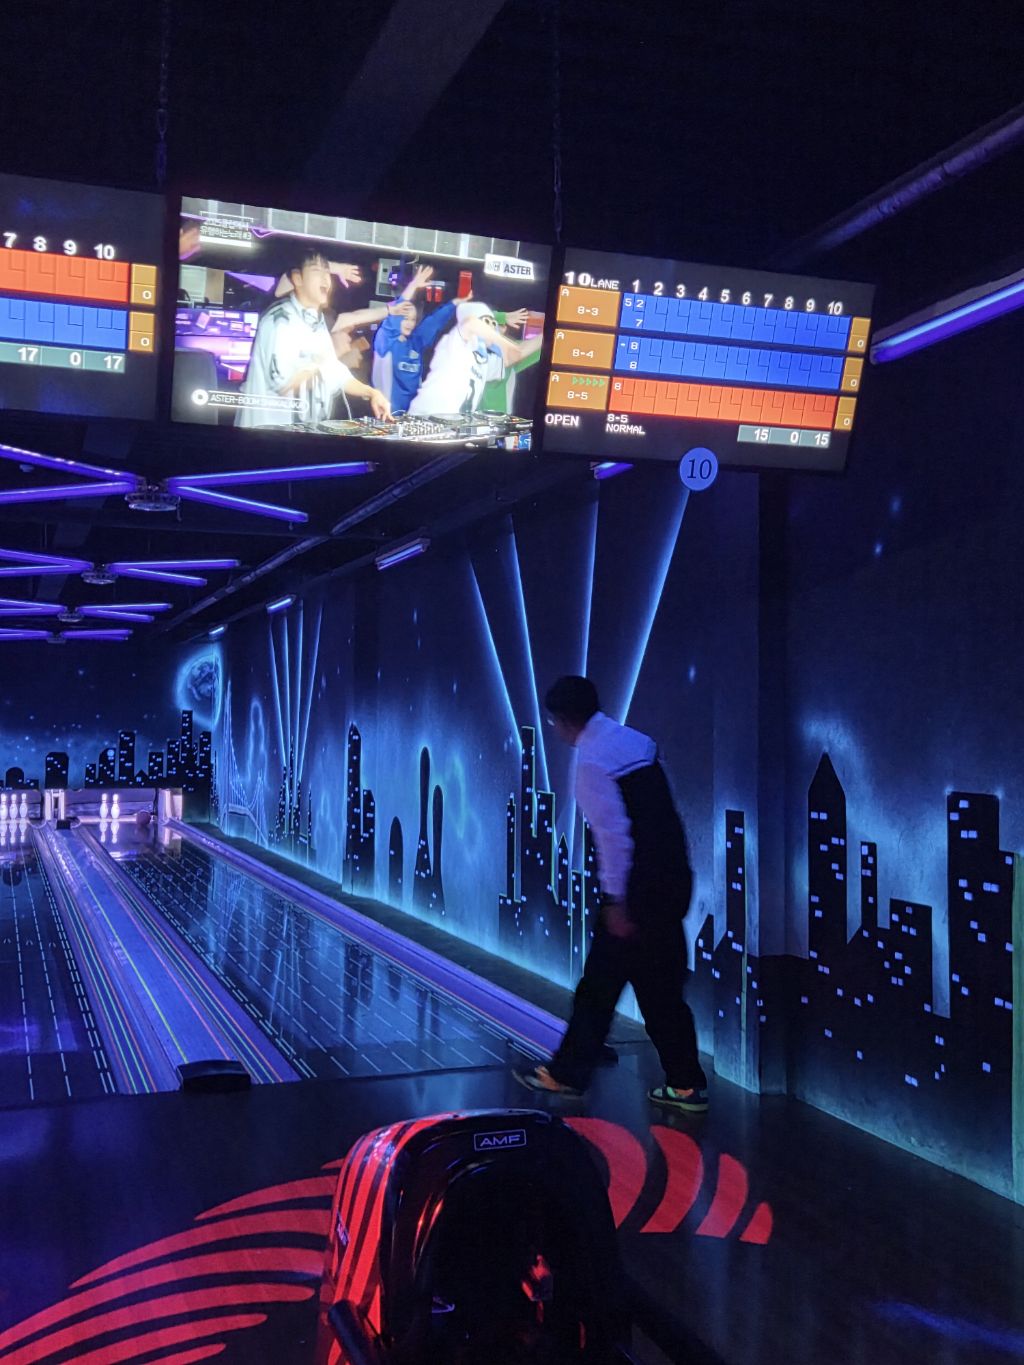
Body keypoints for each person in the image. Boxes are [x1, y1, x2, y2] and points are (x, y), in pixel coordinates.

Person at [515, 676, 708, 1113]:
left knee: (599, 987)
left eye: (554, 722)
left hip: (637, 893)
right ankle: (685, 1085)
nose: (555, 730)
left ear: (565, 720)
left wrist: (618, 901)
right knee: (661, 991)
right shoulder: (637, 743)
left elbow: (615, 839)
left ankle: (568, 1073)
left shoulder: (591, 765)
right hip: (672, 881)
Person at [236, 248, 393, 428]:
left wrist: (372, 393)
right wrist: (322, 359)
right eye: (317, 271)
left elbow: (335, 373)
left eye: (327, 273)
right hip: (267, 433)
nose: (326, 279)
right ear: (297, 278)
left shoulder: (315, 321)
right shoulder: (279, 320)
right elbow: (283, 382)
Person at [408, 300, 540, 417]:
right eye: (487, 322)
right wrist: (502, 333)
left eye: (493, 324)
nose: (492, 327)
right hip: (425, 418)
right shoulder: (456, 343)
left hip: (451, 427)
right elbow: (470, 323)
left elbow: (518, 353)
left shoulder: (485, 360)